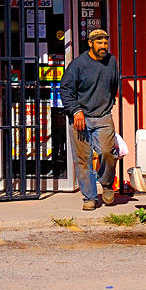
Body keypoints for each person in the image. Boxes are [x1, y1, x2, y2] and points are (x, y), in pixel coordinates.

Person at [59, 29, 120, 210]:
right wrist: (76, 111)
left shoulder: (111, 61)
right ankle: (89, 197)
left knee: (109, 153)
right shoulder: (78, 65)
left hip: (103, 116)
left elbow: (113, 85)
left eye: (105, 42)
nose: (103, 46)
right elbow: (66, 90)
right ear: (91, 44)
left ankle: (107, 184)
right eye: (99, 43)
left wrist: (108, 104)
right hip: (80, 118)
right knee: (83, 159)